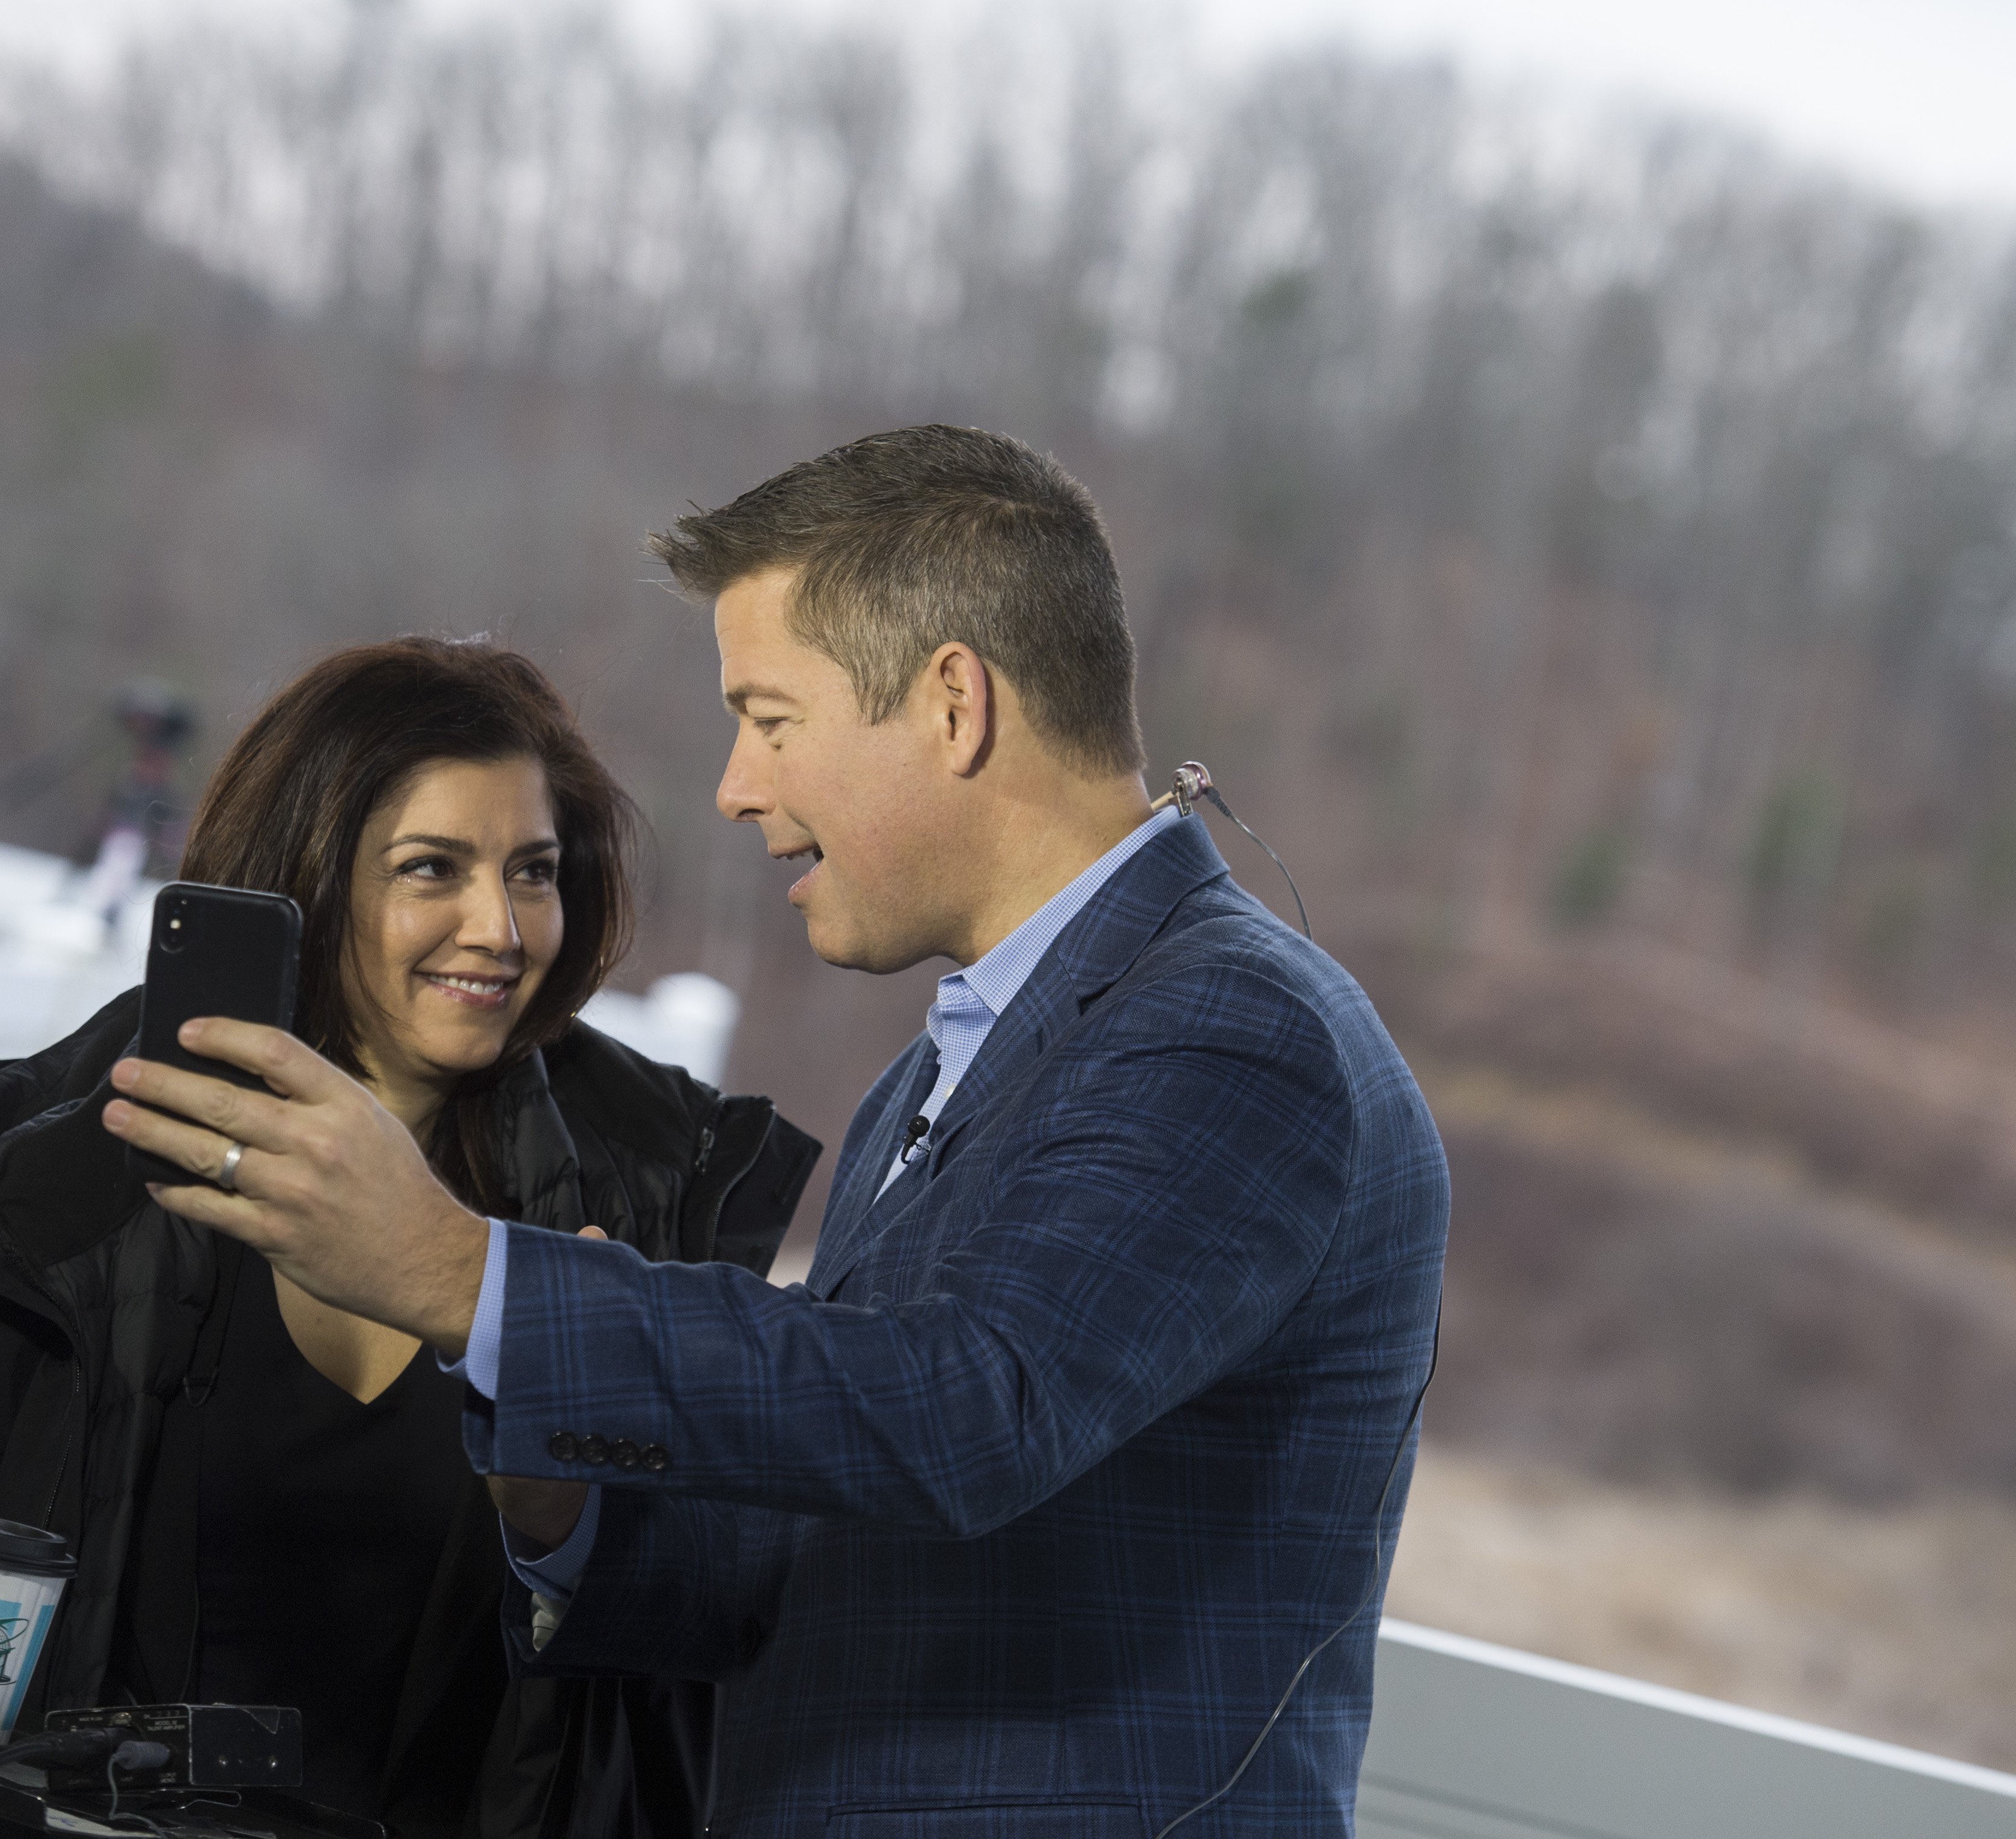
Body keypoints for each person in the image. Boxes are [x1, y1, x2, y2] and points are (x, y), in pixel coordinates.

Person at [102, 428, 1450, 1838]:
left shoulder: (1232, 1030)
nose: (739, 785)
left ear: (951, 706)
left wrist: (460, 1275)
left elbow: (967, 1412)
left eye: (772, 716)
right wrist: (567, 1514)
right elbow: (819, 1557)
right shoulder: (939, 1074)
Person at [0, 638, 820, 1838]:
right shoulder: (45, 1174)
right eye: (432, 869)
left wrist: (571, 1511)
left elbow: (702, 1660)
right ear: (310, 882)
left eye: (533, 871)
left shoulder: (658, 1207)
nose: (499, 927)